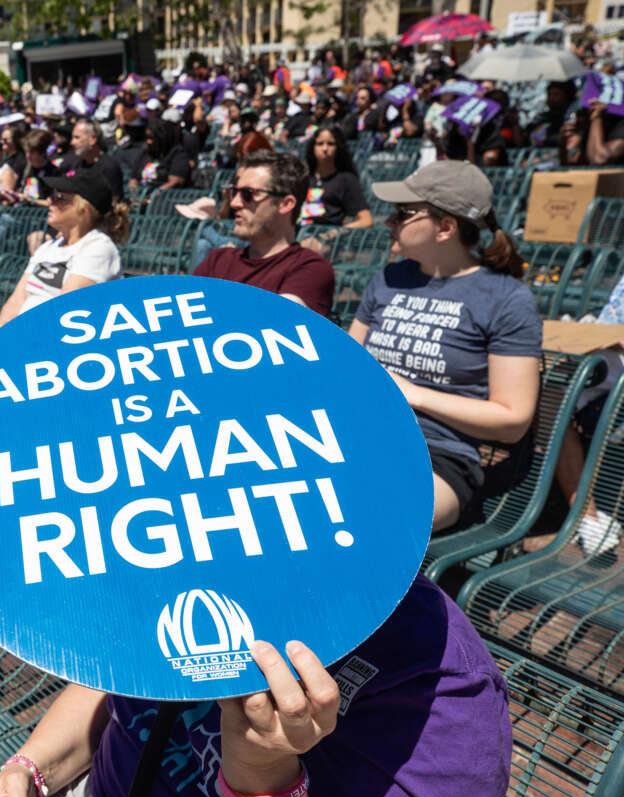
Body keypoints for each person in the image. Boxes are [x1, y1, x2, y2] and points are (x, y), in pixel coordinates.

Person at [0, 571, 511, 797]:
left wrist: (261, 775)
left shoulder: (437, 682)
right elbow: (110, 686)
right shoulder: (167, 559)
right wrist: (27, 772)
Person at [347, 161, 541, 530]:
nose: (389, 222)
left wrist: (412, 395)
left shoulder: (505, 299)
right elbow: (350, 365)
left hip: (437, 454)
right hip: (357, 429)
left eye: (403, 213)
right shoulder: (390, 277)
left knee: (369, 516)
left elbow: (512, 420)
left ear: (446, 227)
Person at [0, 167, 128, 386]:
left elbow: (62, 313)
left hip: (54, 354)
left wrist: (10, 348)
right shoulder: (50, 246)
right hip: (21, 341)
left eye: (59, 198)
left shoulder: (98, 248)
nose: (49, 201)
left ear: (83, 208)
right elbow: (16, 301)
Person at [193, 150, 335, 318]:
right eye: (234, 192)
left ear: (285, 204)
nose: (235, 203)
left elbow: (276, 326)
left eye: (249, 194)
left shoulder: (310, 269)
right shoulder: (217, 261)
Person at [298, 124, 371, 228]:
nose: (325, 148)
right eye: (320, 143)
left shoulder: (346, 180)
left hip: (325, 239)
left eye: (331, 144)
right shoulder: (302, 177)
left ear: (338, 147)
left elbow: (366, 220)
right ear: (312, 147)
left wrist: (332, 235)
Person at [58, 118, 124, 201]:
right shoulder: (76, 164)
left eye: (77, 137)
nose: (72, 143)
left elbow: (114, 201)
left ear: (92, 139)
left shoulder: (109, 167)